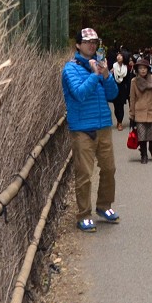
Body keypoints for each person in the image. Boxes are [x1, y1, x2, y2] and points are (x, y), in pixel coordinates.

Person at [62, 28, 121, 232]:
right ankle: (84, 214)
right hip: (82, 129)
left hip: (103, 124)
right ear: (78, 45)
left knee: (109, 169)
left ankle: (104, 206)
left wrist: (106, 76)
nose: (91, 45)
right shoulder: (70, 69)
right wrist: (95, 75)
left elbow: (113, 95)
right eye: (87, 42)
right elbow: (79, 93)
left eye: (94, 42)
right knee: (85, 174)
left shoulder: (101, 65)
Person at [129, 58, 152, 164]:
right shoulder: (134, 81)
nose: (142, 70)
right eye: (140, 68)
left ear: (148, 69)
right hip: (140, 110)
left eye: (144, 68)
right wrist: (131, 115)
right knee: (141, 134)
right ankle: (144, 154)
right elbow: (132, 98)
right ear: (137, 70)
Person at [111, 51, 130, 131]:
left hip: (122, 89)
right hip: (114, 88)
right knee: (116, 106)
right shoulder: (113, 66)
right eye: (118, 55)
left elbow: (127, 80)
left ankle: (120, 122)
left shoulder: (126, 68)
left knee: (121, 106)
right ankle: (118, 120)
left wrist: (128, 91)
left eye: (121, 56)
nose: (118, 57)